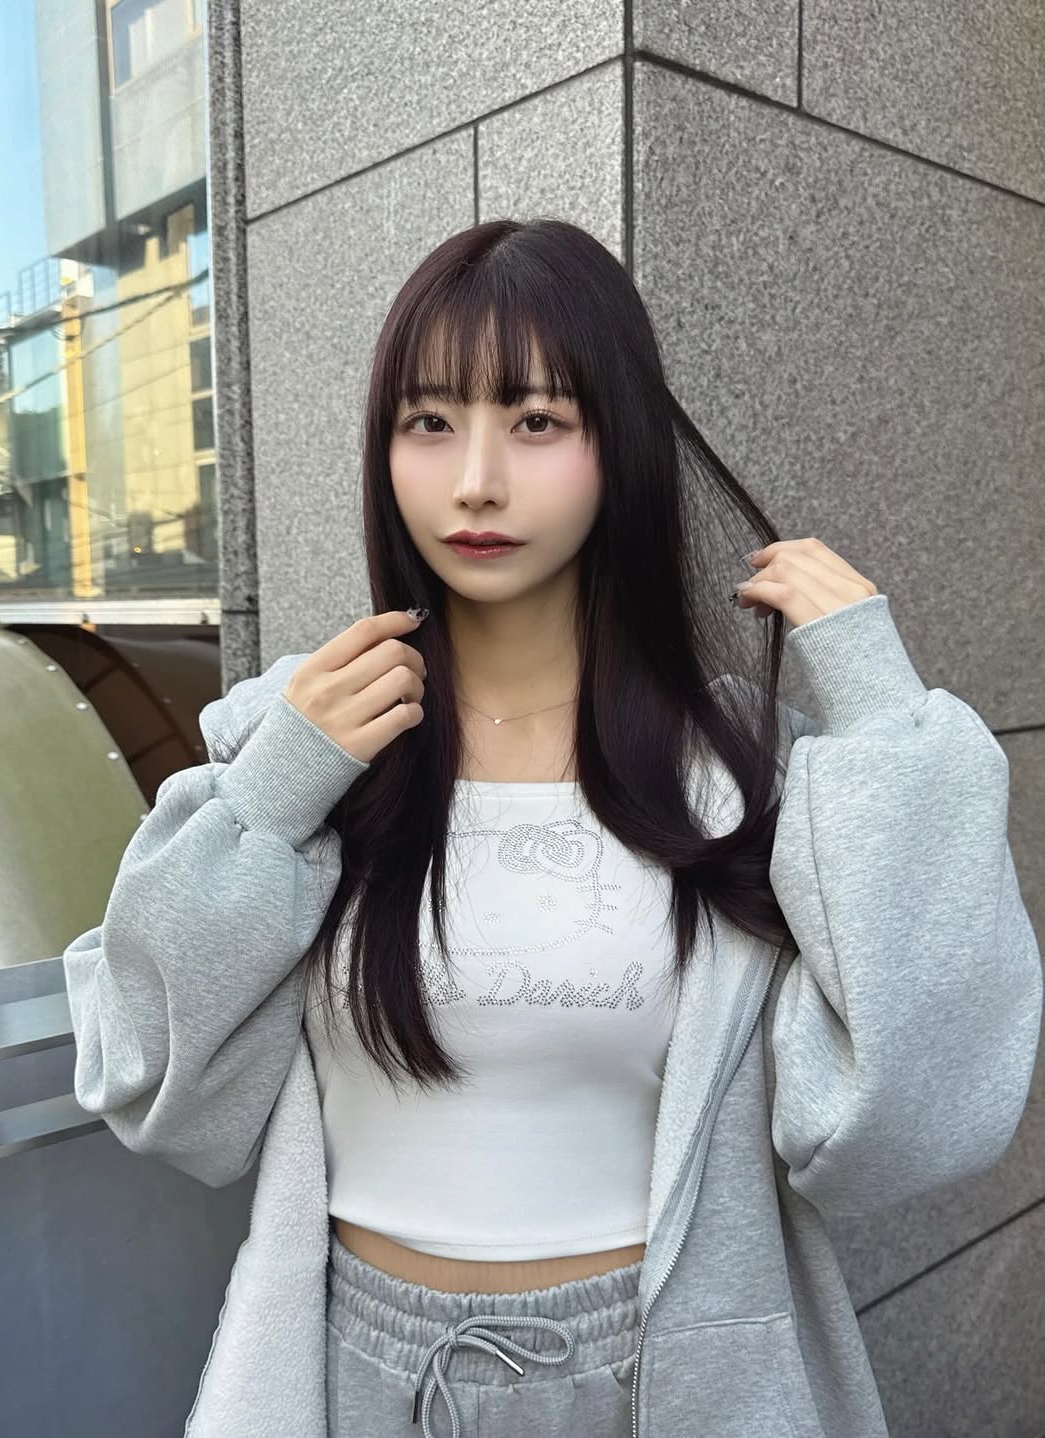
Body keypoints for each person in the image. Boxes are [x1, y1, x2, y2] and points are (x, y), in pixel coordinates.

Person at [63, 218, 1043, 1438]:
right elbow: (142, 1074)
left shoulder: (735, 776)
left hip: (665, 1380)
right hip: (359, 1376)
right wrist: (272, 795)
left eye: (536, 421)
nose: (476, 479)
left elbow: (909, 1122)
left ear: (617, 443)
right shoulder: (308, 750)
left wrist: (888, 721)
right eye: (430, 422)